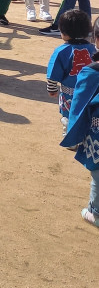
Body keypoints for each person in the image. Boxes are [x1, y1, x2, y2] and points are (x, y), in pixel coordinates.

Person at [60, 15, 99, 227]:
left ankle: (95, 212)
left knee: (98, 174)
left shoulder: (91, 73)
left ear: (96, 40)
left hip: (97, 134)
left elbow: (78, 107)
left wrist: (73, 136)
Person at [45, 9, 94, 133]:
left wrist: (52, 89)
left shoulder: (61, 51)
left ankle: (69, 135)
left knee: (68, 116)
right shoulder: (93, 49)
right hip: (91, 92)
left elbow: (53, 75)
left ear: (64, 32)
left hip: (69, 93)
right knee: (87, 115)